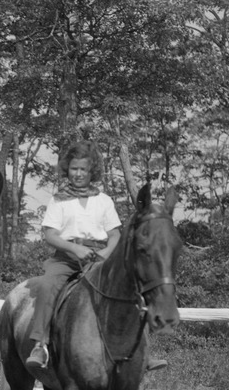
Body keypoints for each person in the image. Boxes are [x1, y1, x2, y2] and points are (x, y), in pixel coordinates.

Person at [24, 140, 166, 372]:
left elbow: (115, 235)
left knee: (133, 289)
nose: (78, 174)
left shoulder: (103, 201)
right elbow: (50, 235)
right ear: (66, 169)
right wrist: (75, 249)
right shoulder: (58, 200)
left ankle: (143, 350)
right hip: (66, 258)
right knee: (48, 285)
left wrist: (106, 253)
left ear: (92, 172)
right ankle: (41, 344)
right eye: (74, 169)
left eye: (83, 169)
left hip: (100, 257)